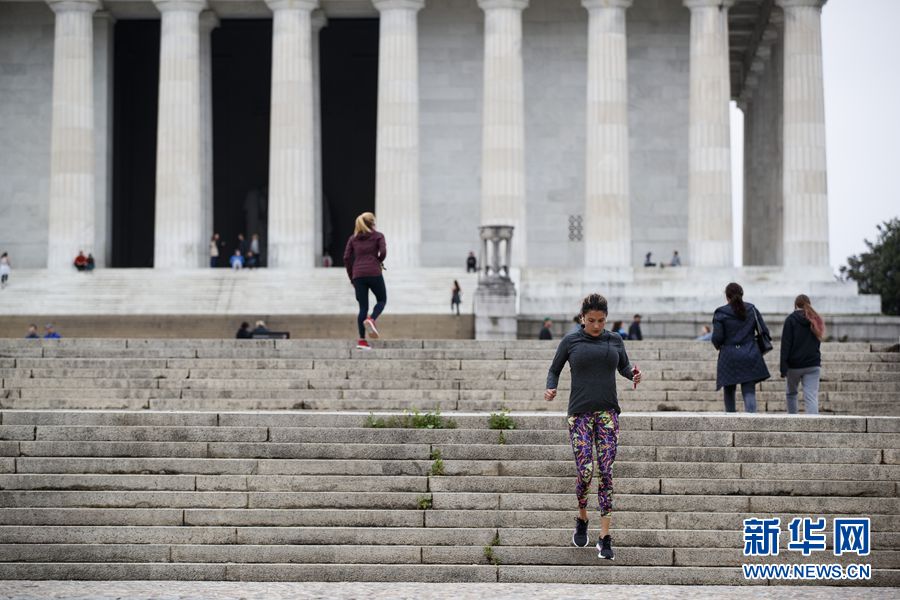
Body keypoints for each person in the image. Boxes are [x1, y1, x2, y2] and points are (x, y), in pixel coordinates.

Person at [545, 293, 641, 560]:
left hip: (608, 414)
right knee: (585, 470)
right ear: (582, 318)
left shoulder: (615, 340)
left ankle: (605, 536)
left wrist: (633, 374)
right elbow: (554, 369)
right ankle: (582, 516)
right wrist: (551, 387)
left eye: (601, 320)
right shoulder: (571, 341)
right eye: (591, 320)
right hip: (580, 415)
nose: (596, 326)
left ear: (606, 318)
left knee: (606, 471)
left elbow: (624, 367)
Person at [711, 282, 770, 413]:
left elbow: (717, 338)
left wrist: (720, 346)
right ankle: (751, 420)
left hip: (728, 356)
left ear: (727, 296)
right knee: (749, 390)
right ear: (742, 294)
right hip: (750, 353)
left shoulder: (720, 312)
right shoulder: (752, 309)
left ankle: (731, 418)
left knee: (729, 390)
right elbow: (764, 331)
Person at [343, 211, 387, 350]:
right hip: (374, 272)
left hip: (358, 275)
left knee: (363, 308)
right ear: (372, 223)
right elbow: (383, 252)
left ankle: (362, 341)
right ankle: (371, 319)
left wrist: (352, 277)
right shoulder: (378, 236)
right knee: (382, 300)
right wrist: (377, 261)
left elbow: (346, 258)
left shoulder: (353, 239)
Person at [780, 294, 825, 415]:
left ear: (795, 305)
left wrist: (783, 368)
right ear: (809, 304)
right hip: (813, 365)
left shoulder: (790, 320)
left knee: (791, 394)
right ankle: (813, 423)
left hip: (794, 366)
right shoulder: (815, 319)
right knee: (811, 397)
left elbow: (786, 345)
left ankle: (792, 420)